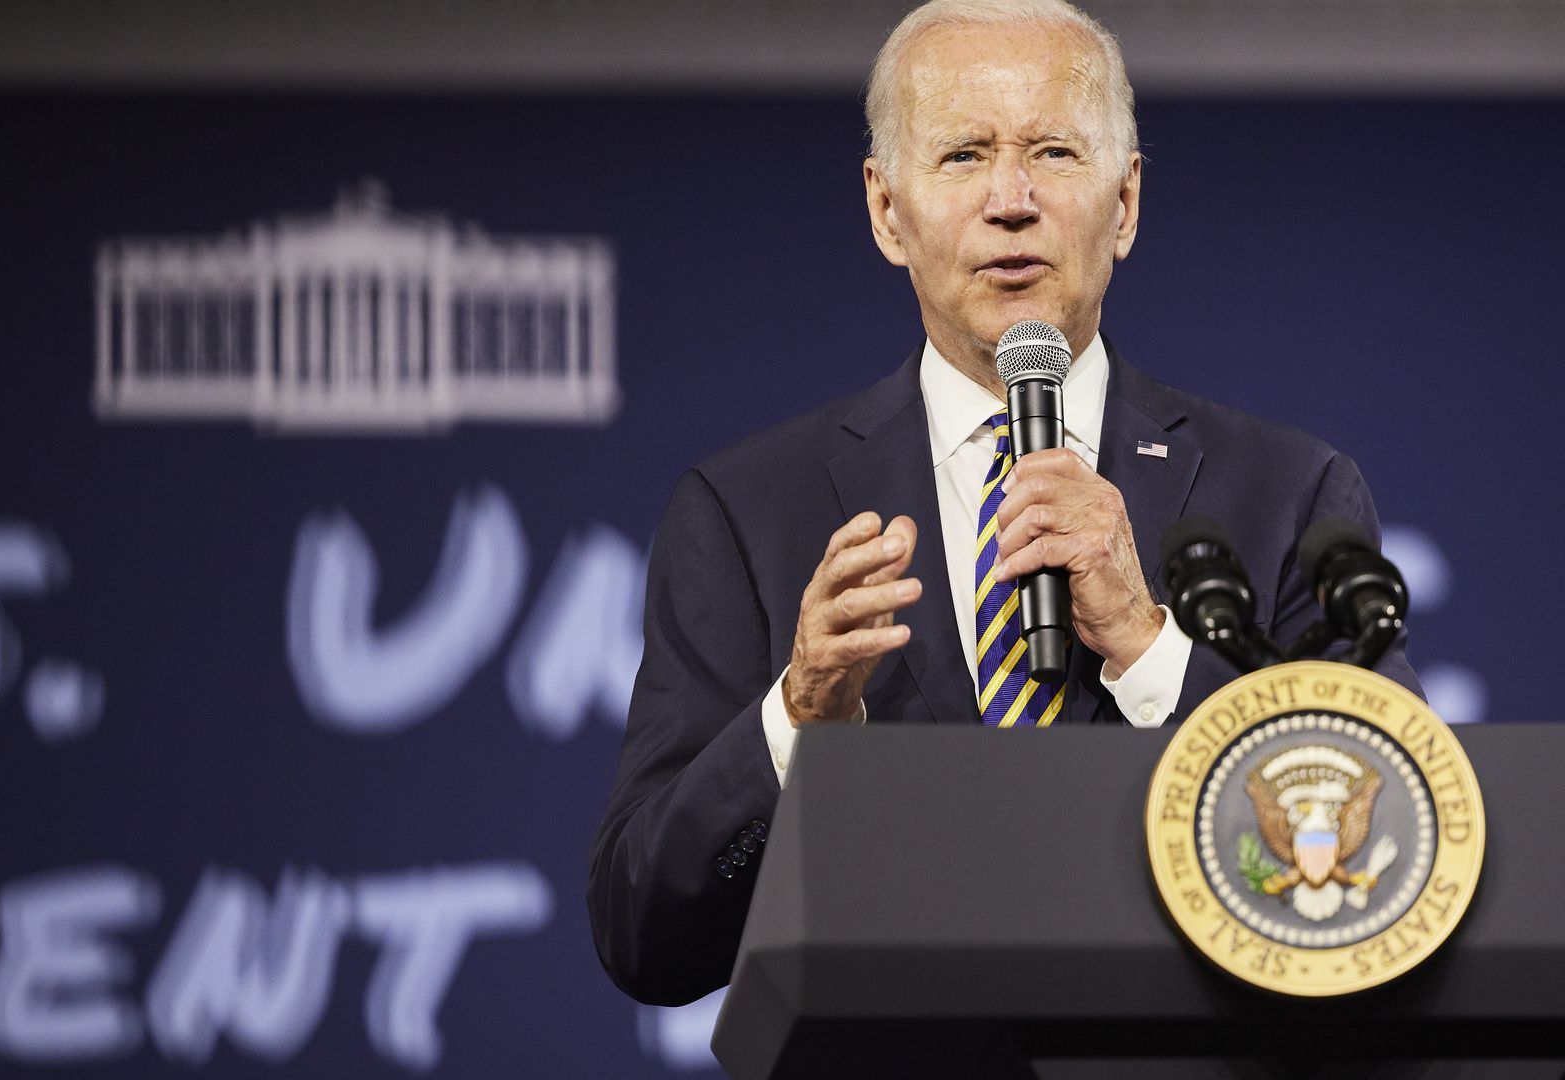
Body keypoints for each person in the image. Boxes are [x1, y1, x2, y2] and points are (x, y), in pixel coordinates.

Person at [587, 0, 1419, 1007]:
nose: (1011, 200)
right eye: (963, 155)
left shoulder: (1290, 494)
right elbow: (645, 934)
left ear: (1125, 204)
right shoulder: (748, 512)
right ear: (887, 211)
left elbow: (1390, 868)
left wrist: (1152, 651)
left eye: (1055, 153)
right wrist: (798, 718)